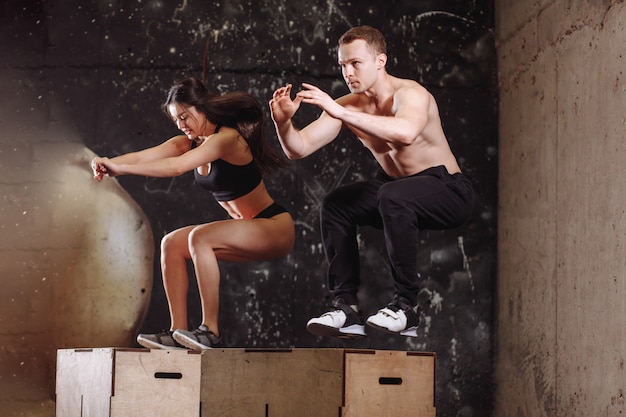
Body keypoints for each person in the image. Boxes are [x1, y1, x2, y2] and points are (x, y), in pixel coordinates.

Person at [269, 26, 475, 339]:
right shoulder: (349, 105)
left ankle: (407, 307)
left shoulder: (411, 94)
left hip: (448, 190)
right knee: (336, 205)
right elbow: (298, 148)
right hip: (396, 190)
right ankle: (346, 307)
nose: (348, 72)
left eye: (355, 63)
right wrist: (283, 123)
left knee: (393, 195)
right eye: (342, 65)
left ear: (380, 61)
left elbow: (405, 132)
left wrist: (339, 110)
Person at [92, 77, 295, 349]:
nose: (182, 125)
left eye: (186, 116)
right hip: (246, 230)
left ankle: (209, 331)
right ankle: (177, 332)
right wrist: (106, 163)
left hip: (273, 227)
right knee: (172, 243)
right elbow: (144, 156)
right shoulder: (189, 142)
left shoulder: (226, 139)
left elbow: (176, 168)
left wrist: (122, 170)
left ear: (203, 108)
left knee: (200, 237)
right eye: (176, 120)